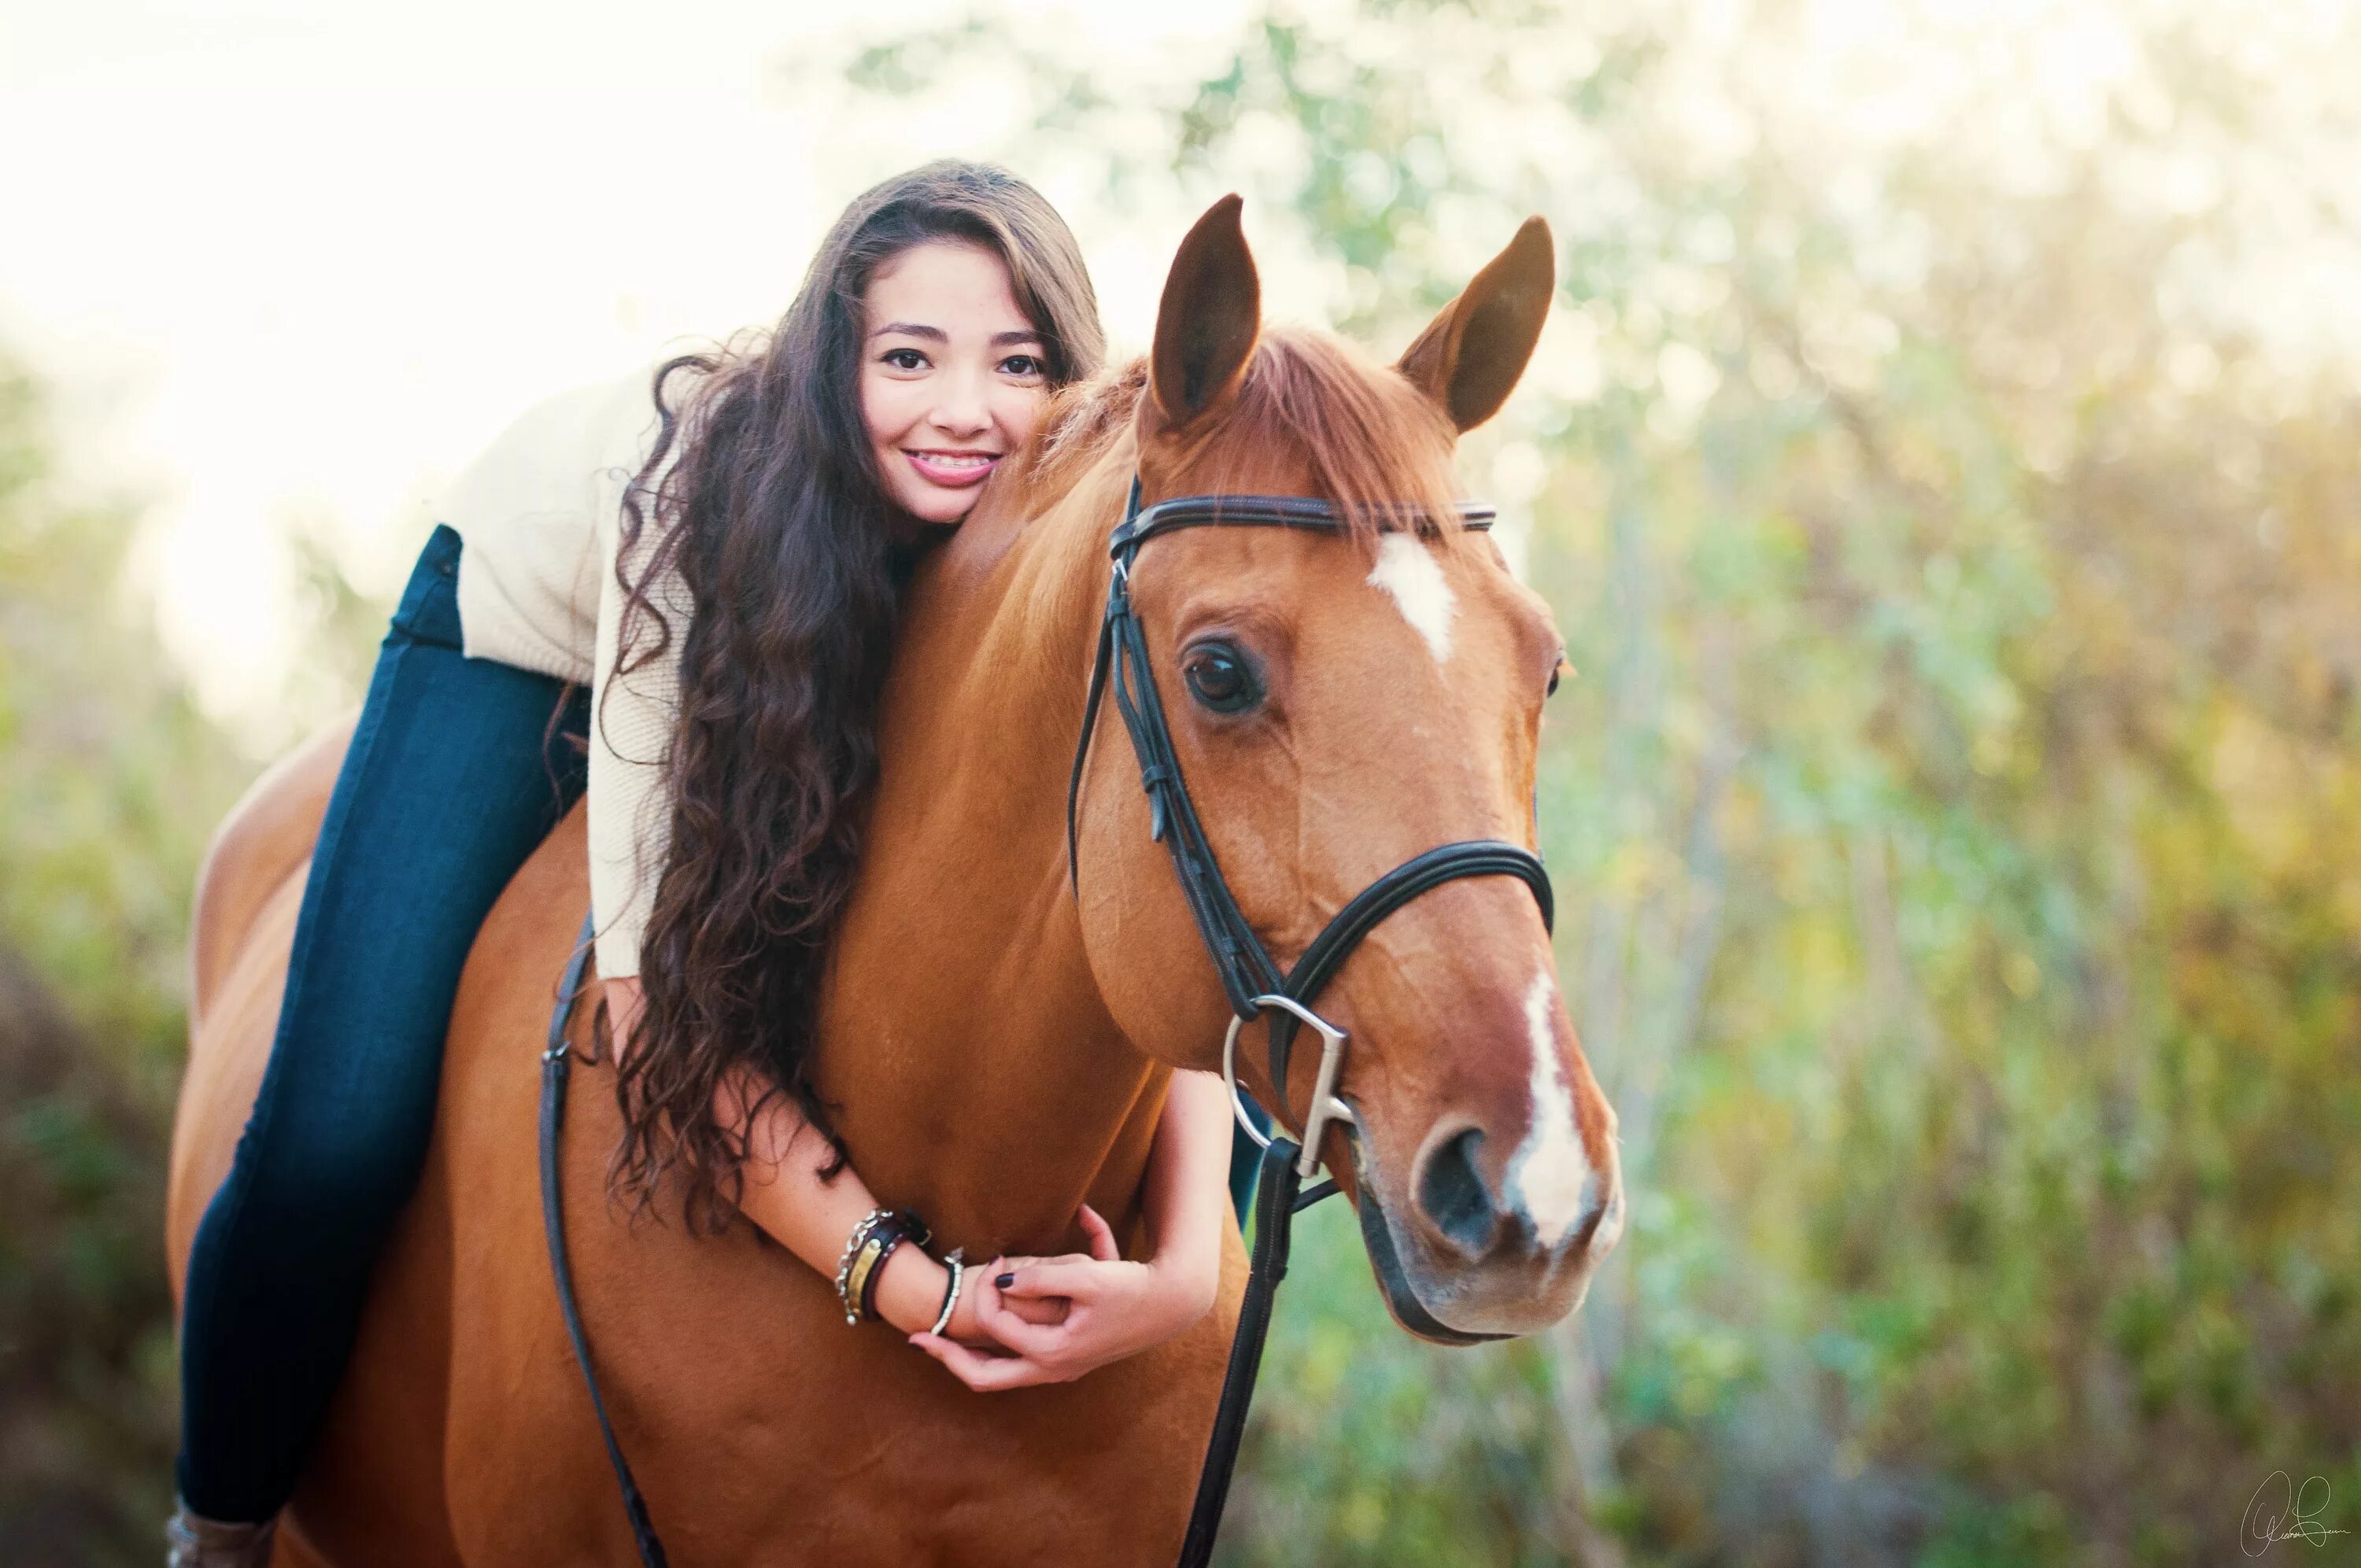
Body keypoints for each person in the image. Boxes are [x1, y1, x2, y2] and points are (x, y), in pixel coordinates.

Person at [169, 161, 1238, 1567]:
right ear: (827, 363)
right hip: (531, 627)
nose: (966, 409)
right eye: (907, 356)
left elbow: (1140, 890)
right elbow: (657, 1008)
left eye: (1018, 361)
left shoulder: (1046, 532)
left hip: (789, 621)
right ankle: (218, 1521)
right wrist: (908, 1281)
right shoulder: (690, 500)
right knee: (336, 1129)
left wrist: (1182, 1275)